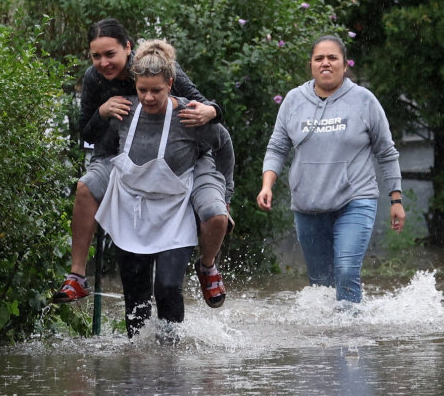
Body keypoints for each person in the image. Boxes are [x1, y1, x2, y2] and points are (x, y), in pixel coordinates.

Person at [53, 19, 231, 308]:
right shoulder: (93, 78)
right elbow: (86, 133)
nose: (103, 63)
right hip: (120, 157)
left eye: (110, 54)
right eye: (96, 56)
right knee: (85, 188)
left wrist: (211, 111)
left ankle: (208, 266)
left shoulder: (157, 66)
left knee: (214, 211)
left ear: (128, 48)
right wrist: (102, 111)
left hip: (182, 157)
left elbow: (204, 108)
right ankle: (77, 276)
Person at [94, 39, 234, 338]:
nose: (147, 97)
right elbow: (103, 152)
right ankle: (138, 365)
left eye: (156, 90)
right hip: (132, 211)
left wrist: (226, 191)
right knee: (136, 296)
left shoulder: (190, 116)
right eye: (142, 90)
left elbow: (223, 144)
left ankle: (171, 362)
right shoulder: (125, 112)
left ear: (170, 84)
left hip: (175, 210)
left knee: (168, 287)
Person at [256, 36, 405, 306]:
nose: (326, 63)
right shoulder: (293, 101)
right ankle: (327, 346)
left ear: (345, 65)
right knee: (321, 284)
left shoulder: (364, 101)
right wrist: (267, 185)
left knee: (347, 270)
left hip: (355, 199)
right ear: (311, 65)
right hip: (309, 204)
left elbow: (386, 151)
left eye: (332, 58)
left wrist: (396, 199)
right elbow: (277, 147)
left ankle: (351, 341)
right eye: (319, 58)